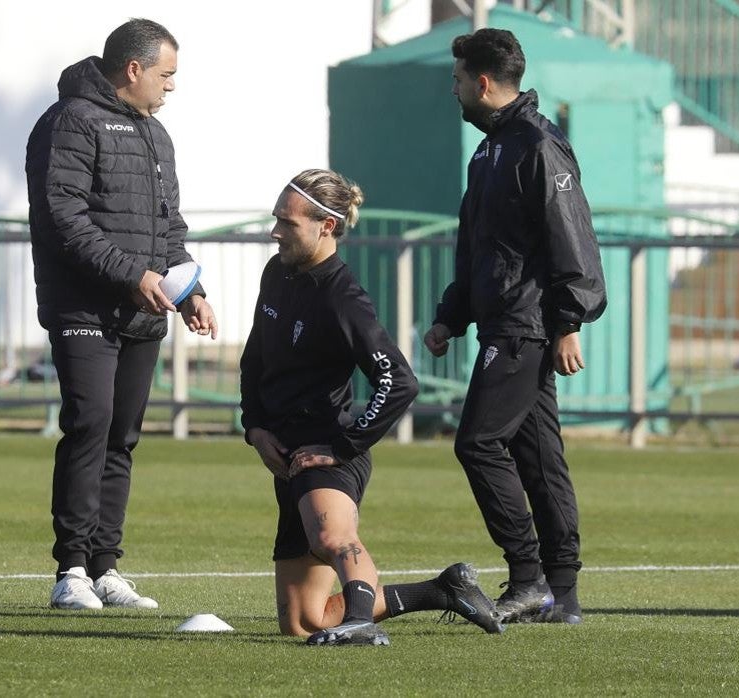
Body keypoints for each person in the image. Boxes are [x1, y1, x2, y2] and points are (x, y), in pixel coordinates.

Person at [240, 169, 503, 646]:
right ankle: (444, 591)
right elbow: (253, 359)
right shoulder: (276, 274)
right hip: (286, 453)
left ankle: (360, 623)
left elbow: (398, 381)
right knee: (304, 620)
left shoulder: (344, 299)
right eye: (276, 219)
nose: (275, 231)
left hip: (328, 450)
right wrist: (255, 427)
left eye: (288, 223)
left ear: (326, 226)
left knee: (332, 539)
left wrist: (341, 446)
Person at [25, 18, 218, 610]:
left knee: (121, 437)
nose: (171, 87)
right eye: (166, 75)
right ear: (133, 69)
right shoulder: (69, 123)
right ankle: (73, 572)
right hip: (84, 306)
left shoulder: (157, 135)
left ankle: (107, 568)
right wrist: (130, 275)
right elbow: (65, 219)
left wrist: (187, 290)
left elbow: (169, 226)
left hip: (143, 311)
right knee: (89, 424)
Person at [423, 29, 607, 625]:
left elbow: (570, 238)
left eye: (456, 81)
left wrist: (568, 322)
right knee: (539, 458)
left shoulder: (537, 145)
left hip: (525, 326)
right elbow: (480, 245)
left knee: (477, 443)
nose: (452, 92)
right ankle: (562, 594)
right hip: (504, 321)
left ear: (481, 83)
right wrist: (453, 314)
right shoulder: (489, 150)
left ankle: (527, 576)